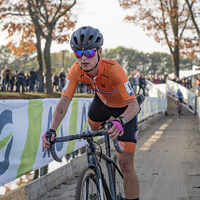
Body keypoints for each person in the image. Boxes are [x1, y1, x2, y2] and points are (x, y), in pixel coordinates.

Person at [42, 26, 140, 200]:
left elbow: (134, 105)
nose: (84, 58)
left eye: (89, 52)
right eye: (78, 54)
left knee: (125, 164)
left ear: (99, 51)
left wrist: (121, 121)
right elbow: (64, 100)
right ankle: (97, 164)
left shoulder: (114, 70)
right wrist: (51, 130)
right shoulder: (75, 70)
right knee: (92, 139)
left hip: (124, 110)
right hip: (101, 105)